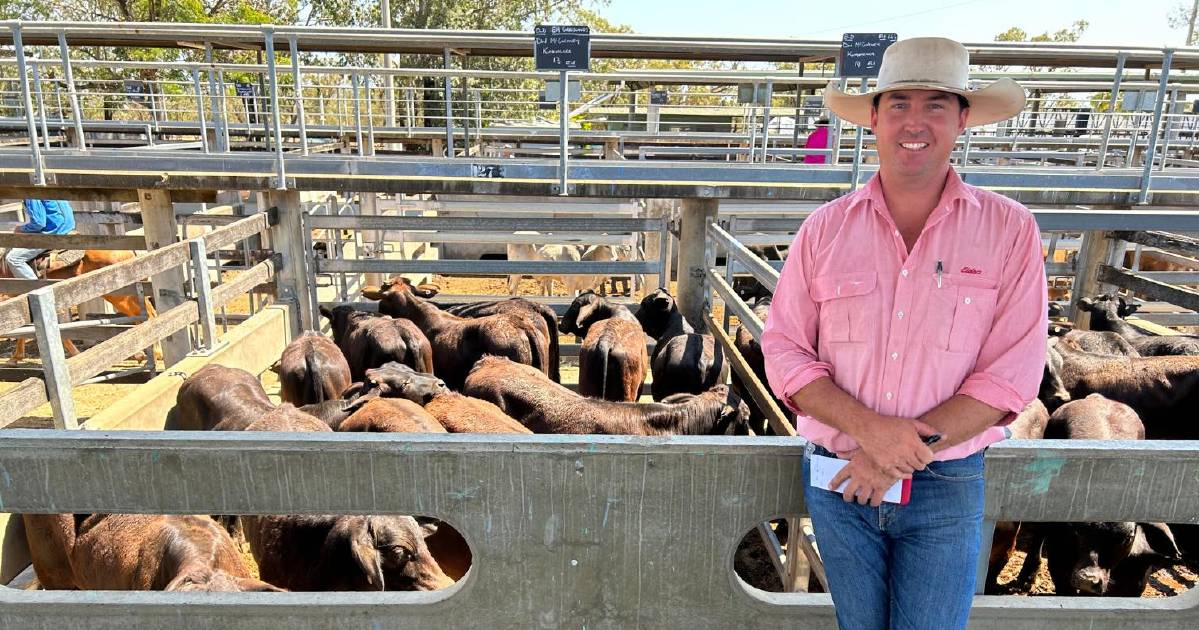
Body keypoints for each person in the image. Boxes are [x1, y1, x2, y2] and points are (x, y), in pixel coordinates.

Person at [761, 37, 1046, 629]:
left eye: (936, 104)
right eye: (898, 103)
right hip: (840, 477)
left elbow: (1011, 375)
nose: (915, 122)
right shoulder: (823, 229)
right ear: (873, 116)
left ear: (963, 119)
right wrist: (871, 435)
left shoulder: (1010, 230)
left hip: (946, 482)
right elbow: (786, 349)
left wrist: (894, 455)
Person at [5, 198, 76, 279]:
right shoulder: (50, 186)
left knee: (13, 258)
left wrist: (21, 229)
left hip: (54, 233)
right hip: (68, 228)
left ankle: (36, 289)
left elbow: (38, 223)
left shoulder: (30, 192)